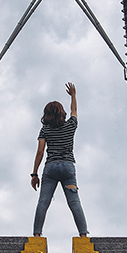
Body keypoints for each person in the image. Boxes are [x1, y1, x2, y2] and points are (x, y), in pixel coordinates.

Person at [30, 81, 89, 237]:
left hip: (50, 168)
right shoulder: (71, 126)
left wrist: (34, 174)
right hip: (68, 167)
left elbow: (40, 152)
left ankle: (37, 235)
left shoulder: (45, 129)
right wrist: (74, 95)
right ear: (61, 113)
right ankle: (83, 235)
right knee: (74, 202)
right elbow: (74, 110)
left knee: (43, 202)